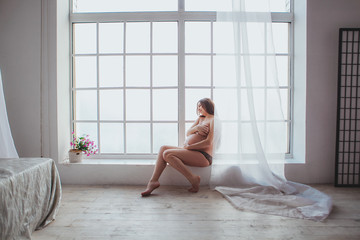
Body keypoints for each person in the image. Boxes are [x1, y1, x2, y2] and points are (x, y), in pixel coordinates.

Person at [141, 98, 215, 196]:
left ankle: (193, 179)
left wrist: (190, 147)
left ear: (208, 106)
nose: (199, 108)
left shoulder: (213, 120)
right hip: (192, 151)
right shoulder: (200, 119)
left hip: (203, 155)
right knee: (163, 148)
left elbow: (208, 142)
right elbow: (188, 133)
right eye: (198, 106)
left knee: (167, 154)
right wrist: (197, 128)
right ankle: (153, 181)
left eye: (201, 106)